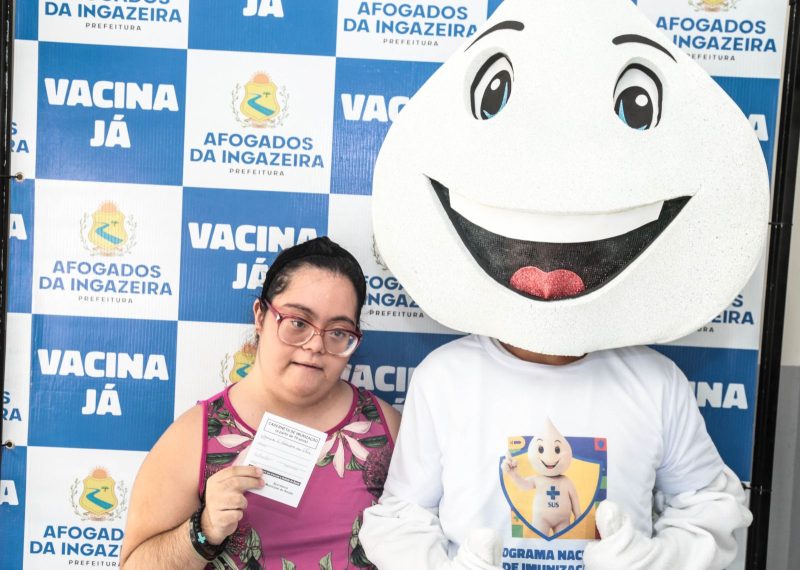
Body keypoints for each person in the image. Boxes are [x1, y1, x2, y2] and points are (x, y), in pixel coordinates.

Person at [120, 237, 400, 569]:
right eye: (298, 323)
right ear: (260, 316)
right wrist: (203, 530)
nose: (315, 345)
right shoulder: (196, 436)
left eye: (338, 332)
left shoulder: (386, 428)